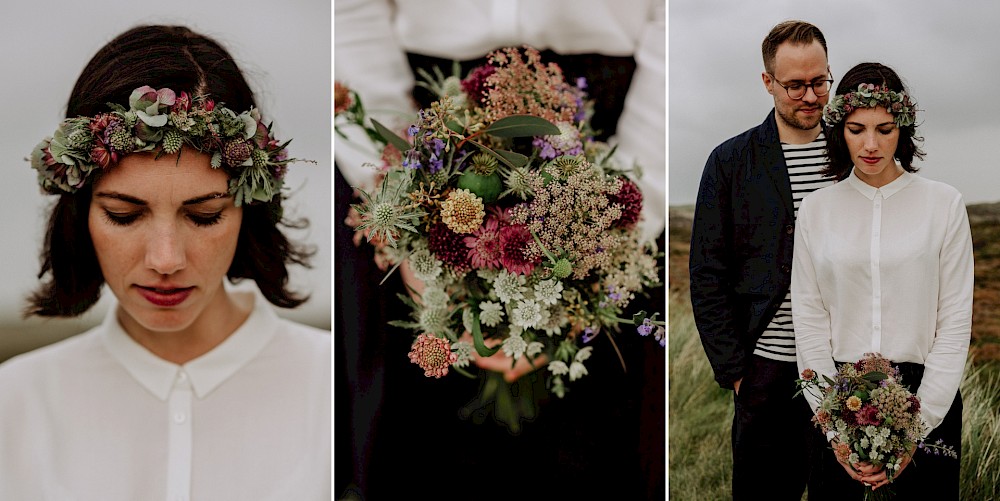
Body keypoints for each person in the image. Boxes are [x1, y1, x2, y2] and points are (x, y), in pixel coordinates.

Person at [334, 2, 665, 500]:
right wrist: (399, 208)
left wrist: (606, 241)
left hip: (615, 122)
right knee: (413, 454)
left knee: (601, 452)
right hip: (422, 123)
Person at [0, 25, 330, 500]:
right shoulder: (18, 403)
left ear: (248, 209)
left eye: (204, 216)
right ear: (80, 212)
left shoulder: (328, 386)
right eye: (124, 215)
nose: (166, 260)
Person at [792, 62, 973, 499]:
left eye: (885, 129)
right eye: (856, 129)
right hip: (838, 396)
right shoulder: (817, 210)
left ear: (903, 129)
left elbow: (953, 323)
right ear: (840, 130)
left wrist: (916, 427)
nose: (870, 145)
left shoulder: (944, 205)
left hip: (927, 395)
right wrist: (834, 428)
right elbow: (810, 321)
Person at [689, 19, 835, 500]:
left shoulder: (853, 153)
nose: (810, 96)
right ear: (768, 82)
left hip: (846, 367)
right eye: (795, 85)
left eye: (819, 81)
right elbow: (707, 274)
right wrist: (735, 372)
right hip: (764, 372)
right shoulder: (730, 162)